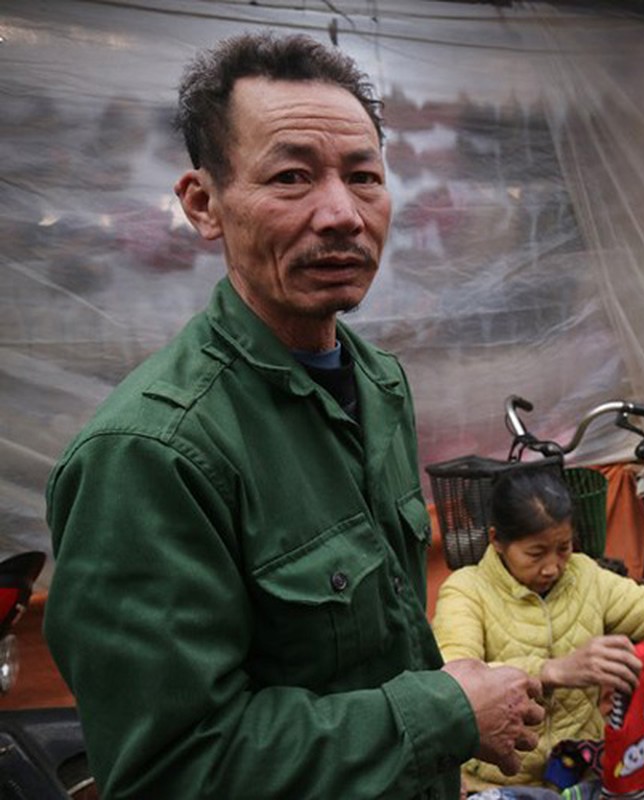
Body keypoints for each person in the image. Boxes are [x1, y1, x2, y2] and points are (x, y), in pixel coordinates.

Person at [42, 32, 544, 800]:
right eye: (291, 177)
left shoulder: (377, 382)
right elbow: (173, 770)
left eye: (364, 176)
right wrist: (441, 711)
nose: (342, 213)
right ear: (202, 205)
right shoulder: (148, 454)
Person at [431, 467, 644, 794]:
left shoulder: (585, 576)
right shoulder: (466, 590)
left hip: (580, 769)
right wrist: (551, 671)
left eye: (563, 548)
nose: (552, 567)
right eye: (536, 553)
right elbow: (454, 684)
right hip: (498, 780)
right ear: (496, 541)